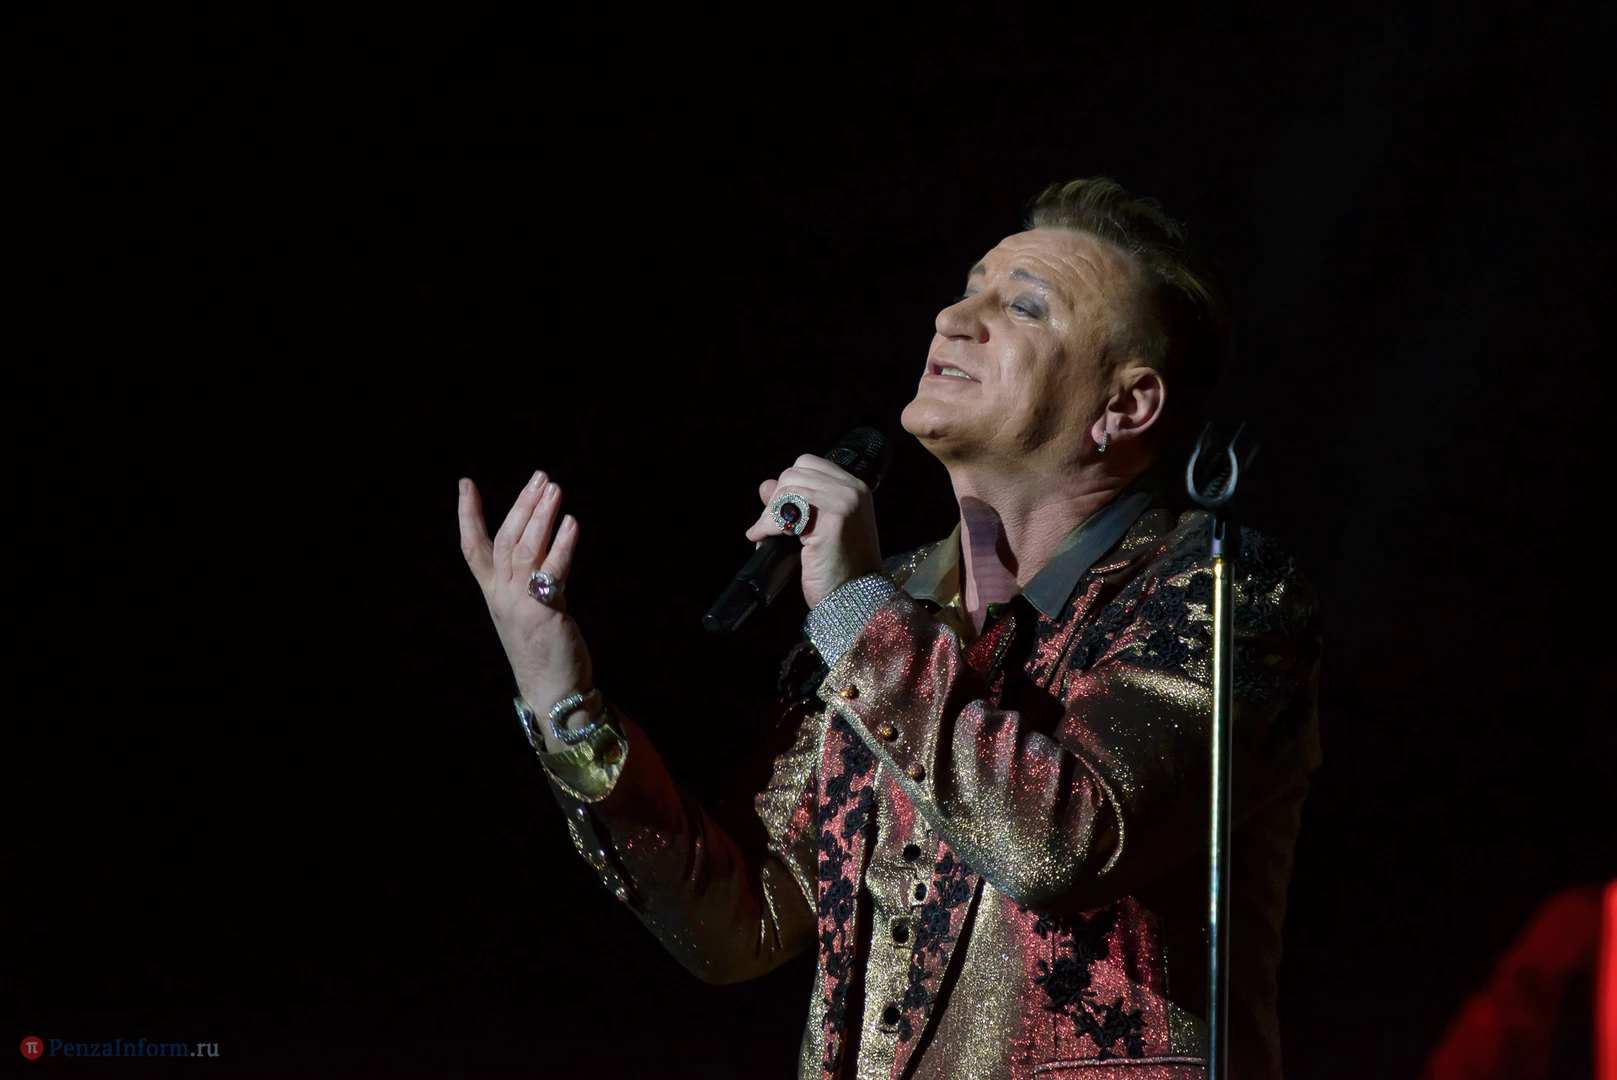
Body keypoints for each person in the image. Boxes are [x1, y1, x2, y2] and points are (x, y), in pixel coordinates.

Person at [457, 177, 1322, 1080]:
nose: (952, 318)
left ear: (1124, 407)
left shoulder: (1220, 589)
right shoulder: (897, 600)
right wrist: (562, 699)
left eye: (1022, 307)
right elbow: (742, 922)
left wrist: (855, 611)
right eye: (967, 289)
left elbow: (1063, 842)